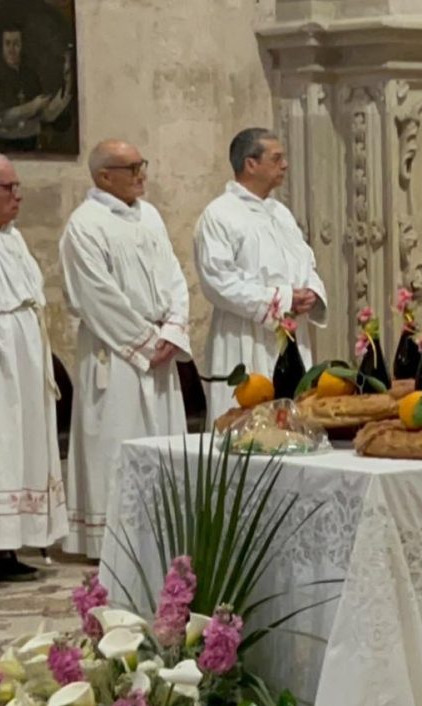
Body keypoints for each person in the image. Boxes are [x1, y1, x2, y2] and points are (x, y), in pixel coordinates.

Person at [59, 140, 191, 559]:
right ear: (103, 176)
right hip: (115, 353)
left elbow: (173, 273)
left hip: (159, 347)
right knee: (116, 441)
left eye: (141, 164)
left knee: (164, 443)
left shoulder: (149, 216)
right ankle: (111, 539)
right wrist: (147, 342)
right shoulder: (84, 225)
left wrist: (173, 327)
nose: (142, 174)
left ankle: (165, 533)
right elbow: (97, 296)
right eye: (131, 167)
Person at [194, 128, 327, 423]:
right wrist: (282, 299)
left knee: (296, 421)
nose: (285, 165)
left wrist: (312, 293)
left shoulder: (280, 213)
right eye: (276, 158)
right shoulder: (219, 215)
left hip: (290, 334)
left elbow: (306, 260)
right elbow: (218, 281)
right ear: (250, 163)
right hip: (244, 334)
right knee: (248, 429)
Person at [0, 151, 67, 583]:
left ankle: (3, 548)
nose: (18, 195)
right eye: (7, 187)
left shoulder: (12, 238)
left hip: (22, 364)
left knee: (17, 451)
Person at [0, 27, 72, 152]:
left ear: (22, 45)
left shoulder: (30, 75)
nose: (11, 49)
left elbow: (44, 116)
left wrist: (64, 93)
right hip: (1, 147)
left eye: (16, 44)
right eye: (7, 43)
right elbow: (1, 117)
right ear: (1, 46)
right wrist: (33, 106)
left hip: (30, 146)